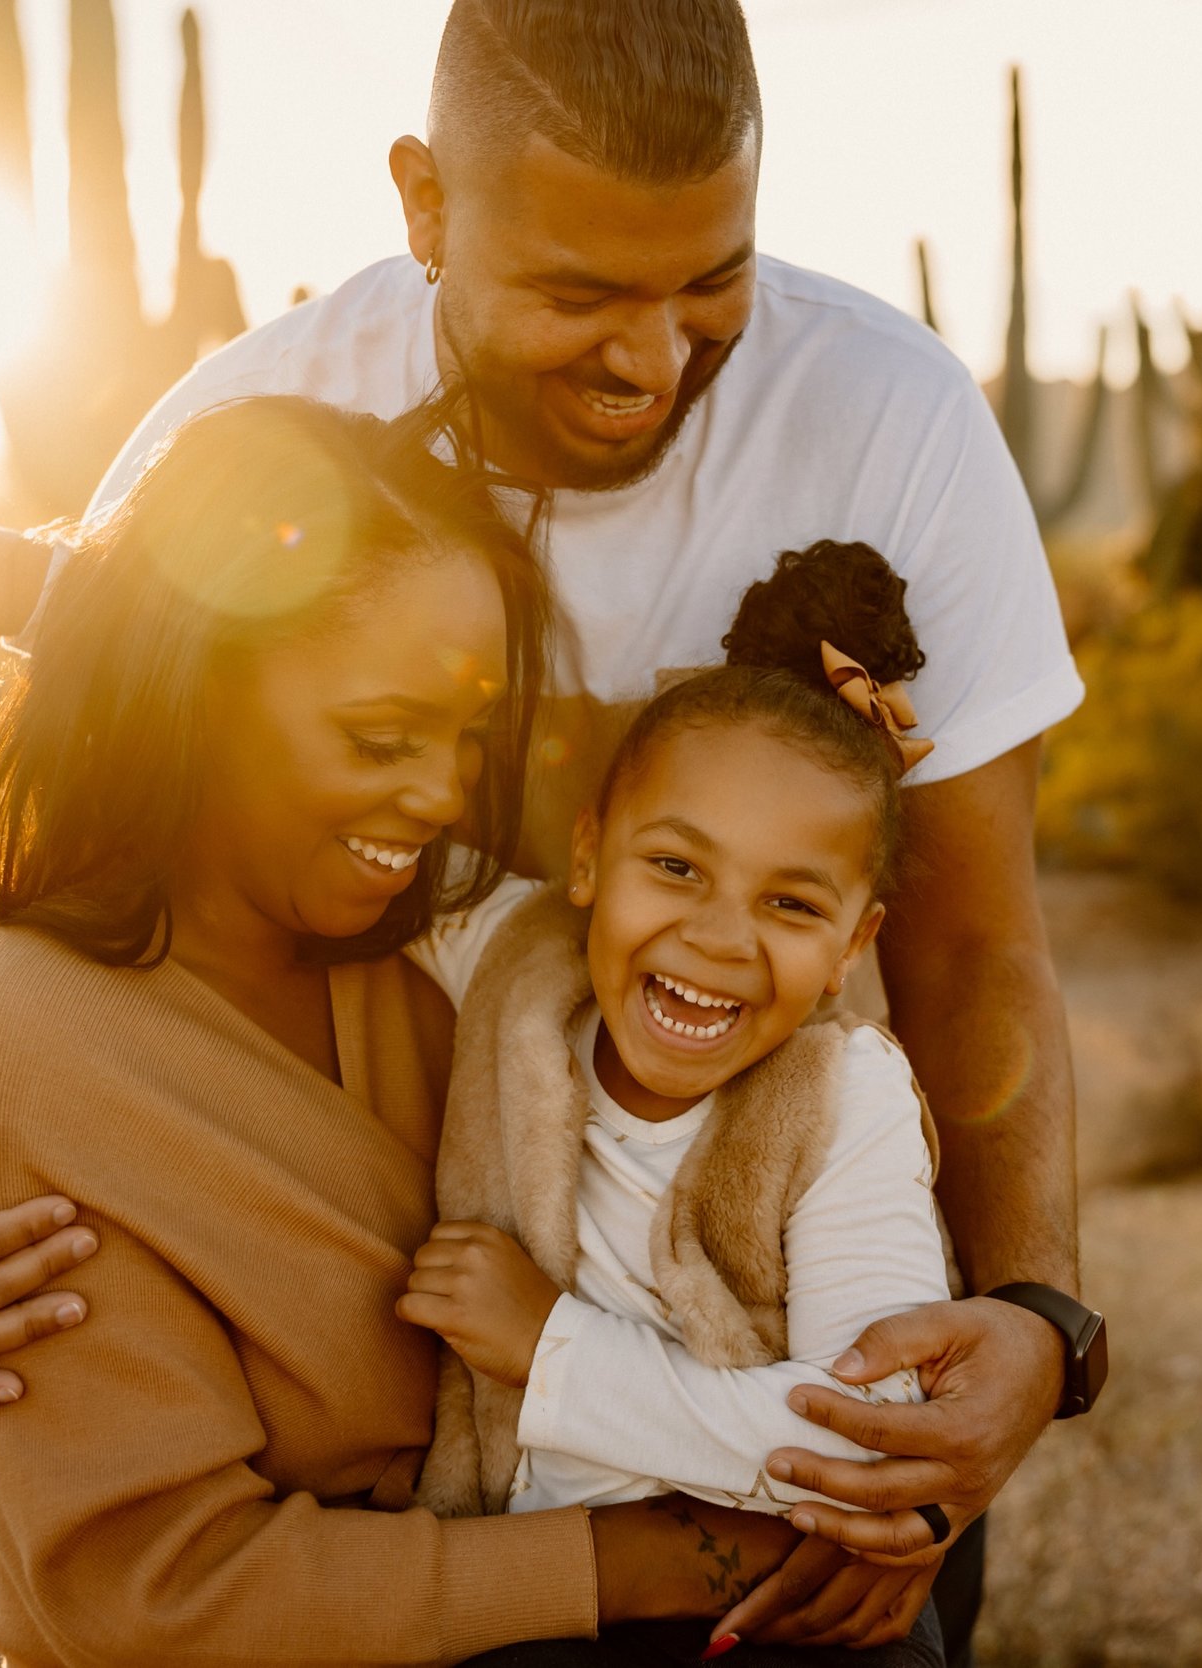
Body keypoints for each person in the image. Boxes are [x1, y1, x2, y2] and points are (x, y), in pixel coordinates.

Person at [0, 1, 1098, 1654]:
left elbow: (974, 937)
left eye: (708, 289)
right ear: (426, 205)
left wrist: (1035, 1314)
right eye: (577, 294)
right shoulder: (257, 422)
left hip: (750, 1242)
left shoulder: (887, 419)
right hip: (465, 1399)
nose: (650, 360)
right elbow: (79, 837)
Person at [0, 391, 818, 1664]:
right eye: (380, 738)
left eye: (466, 738)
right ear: (192, 690)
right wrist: (650, 1562)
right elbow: (158, 1595)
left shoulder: (457, 947)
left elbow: (790, 1120)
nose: (441, 797)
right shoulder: (13, 1039)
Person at [401, 543, 958, 1664]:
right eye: (677, 868)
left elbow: (867, 1443)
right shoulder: (514, 969)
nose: (716, 938)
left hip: (768, 1622)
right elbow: (281, 825)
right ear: (590, 857)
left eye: (791, 903)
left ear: (854, 944)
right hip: (523, 1593)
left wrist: (548, 1348)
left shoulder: (843, 1098)